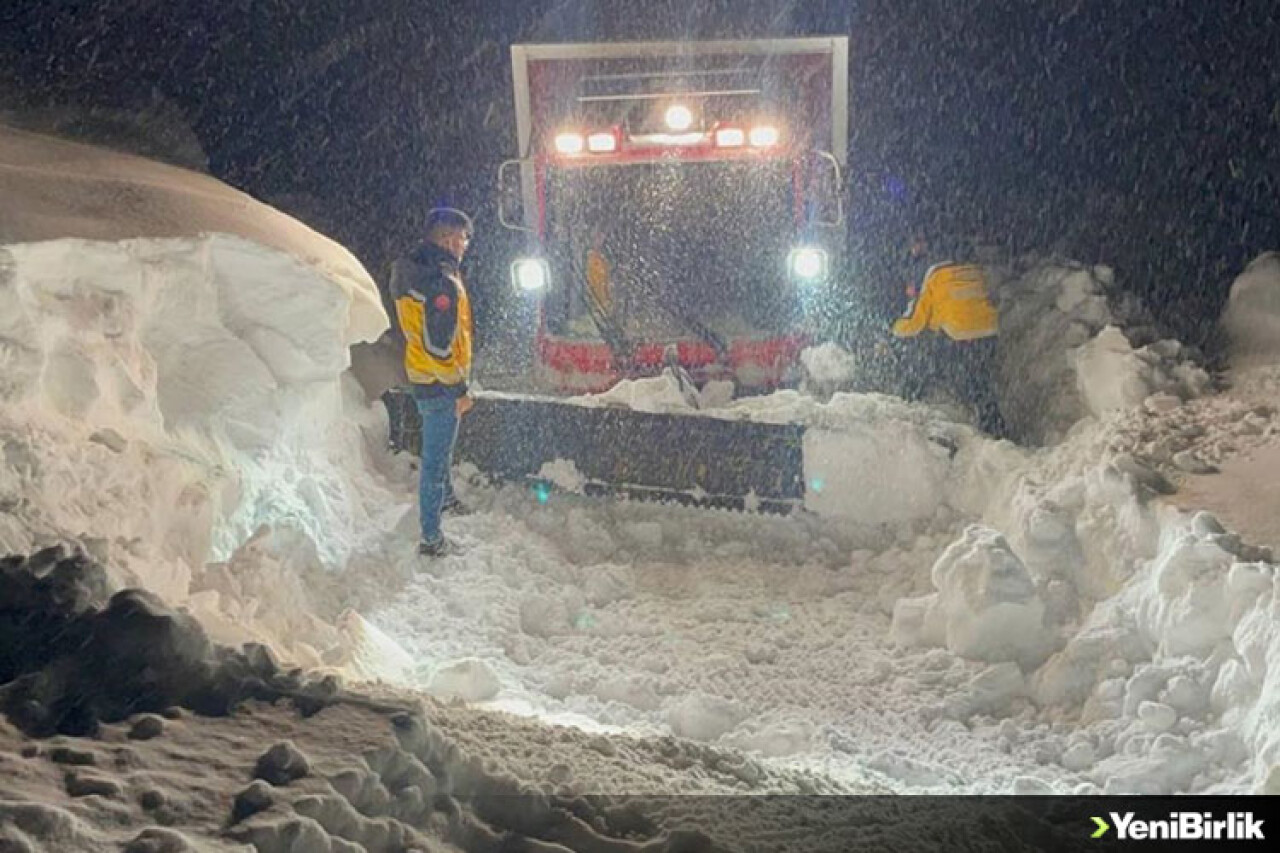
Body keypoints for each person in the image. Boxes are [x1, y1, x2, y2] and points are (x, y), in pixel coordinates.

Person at [390, 208, 476, 557]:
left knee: (441, 450)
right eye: (458, 238)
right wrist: (459, 389)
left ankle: (446, 499)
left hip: (423, 374)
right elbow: (439, 346)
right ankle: (431, 538)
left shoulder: (417, 271)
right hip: (440, 383)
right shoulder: (440, 282)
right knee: (435, 461)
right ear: (443, 240)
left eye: (465, 238)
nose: (463, 245)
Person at [890, 237, 1007, 436]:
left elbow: (916, 322)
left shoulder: (934, 275)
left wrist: (894, 330)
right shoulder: (975, 270)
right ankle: (994, 424)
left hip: (957, 335)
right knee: (979, 381)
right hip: (988, 334)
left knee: (924, 367)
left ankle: (908, 404)